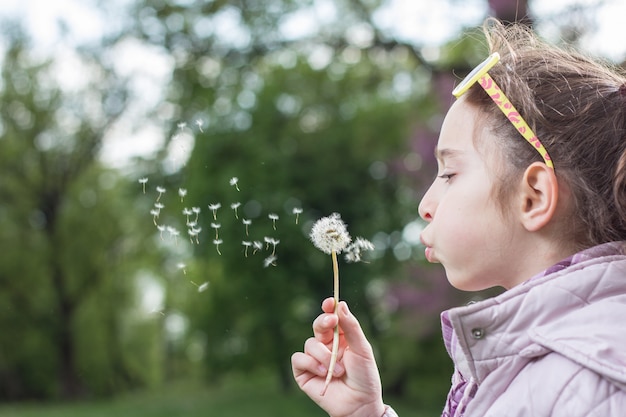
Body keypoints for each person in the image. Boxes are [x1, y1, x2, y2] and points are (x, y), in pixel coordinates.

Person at [291, 17, 626, 417]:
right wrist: (366, 413)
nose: (425, 205)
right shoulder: (543, 362)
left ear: (533, 197)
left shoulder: (586, 380)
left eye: (449, 173)